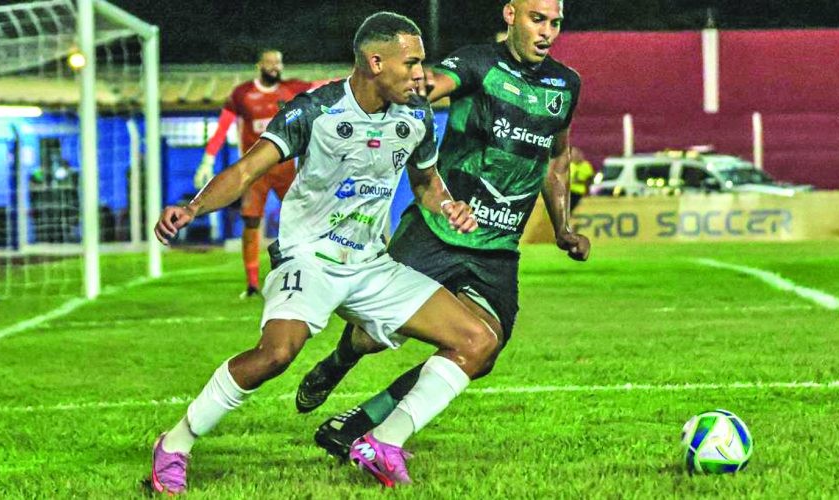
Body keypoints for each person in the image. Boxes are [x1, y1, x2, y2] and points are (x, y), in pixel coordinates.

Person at [149, 12, 498, 494]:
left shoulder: (416, 115)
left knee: (477, 342)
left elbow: (425, 183)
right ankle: (175, 443)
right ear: (376, 61)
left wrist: (449, 205)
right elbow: (248, 170)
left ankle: (383, 443)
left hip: (372, 266)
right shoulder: (314, 110)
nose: (422, 75)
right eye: (412, 63)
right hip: (308, 259)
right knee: (277, 353)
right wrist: (191, 209)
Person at [296, 0, 592, 459]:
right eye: (538, 19)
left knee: (481, 349)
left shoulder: (565, 84)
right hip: (437, 230)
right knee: (373, 336)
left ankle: (359, 426)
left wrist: (563, 226)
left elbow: (557, 157)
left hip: (497, 247)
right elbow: (431, 86)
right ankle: (339, 362)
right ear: (510, 15)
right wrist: (405, 92)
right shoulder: (477, 63)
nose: (547, 32)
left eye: (555, 23)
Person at [193, 49, 312, 298]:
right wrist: (208, 159)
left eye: (278, 62)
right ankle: (251, 284)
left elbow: (328, 89)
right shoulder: (242, 94)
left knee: (303, 219)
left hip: (285, 167)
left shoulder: (293, 89)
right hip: (254, 170)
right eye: (269, 62)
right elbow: (223, 126)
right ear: (260, 65)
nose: (274, 67)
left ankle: (308, 272)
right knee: (250, 222)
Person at [568, 146, 594, 213]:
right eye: (573, 155)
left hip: (578, 192)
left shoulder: (586, 166)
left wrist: (579, 181)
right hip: (568, 191)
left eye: (576, 155)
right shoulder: (570, 165)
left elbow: (590, 181)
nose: (574, 157)